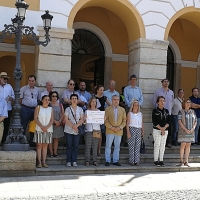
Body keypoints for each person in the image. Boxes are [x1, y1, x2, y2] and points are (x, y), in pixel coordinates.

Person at [104, 95, 126, 166]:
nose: (116, 101)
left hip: (119, 131)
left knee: (117, 146)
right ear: (111, 100)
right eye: (114, 99)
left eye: (117, 99)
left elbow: (124, 121)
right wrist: (111, 127)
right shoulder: (107, 109)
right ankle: (107, 160)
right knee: (108, 146)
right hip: (110, 130)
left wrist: (119, 127)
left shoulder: (122, 110)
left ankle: (115, 160)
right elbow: (105, 120)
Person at [152, 78, 174, 148]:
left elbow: (172, 102)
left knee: (168, 127)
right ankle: (156, 141)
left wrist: (170, 109)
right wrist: (158, 109)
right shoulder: (157, 91)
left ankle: (168, 142)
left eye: (167, 82)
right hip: (159, 112)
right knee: (159, 126)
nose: (166, 83)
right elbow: (153, 101)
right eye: (164, 82)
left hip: (168, 112)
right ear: (162, 83)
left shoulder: (171, 92)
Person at [64, 94, 84, 167]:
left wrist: (77, 126)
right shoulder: (67, 109)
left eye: (75, 98)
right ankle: (69, 161)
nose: (74, 100)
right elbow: (66, 119)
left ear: (77, 100)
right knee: (69, 146)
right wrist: (73, 126)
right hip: (69, 130)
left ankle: (74, 160)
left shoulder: (80, 109)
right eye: (73, 98)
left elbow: (82, 119)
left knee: (75, 146)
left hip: (77, 130)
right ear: (70, 100)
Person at [34, 95, 54, 168]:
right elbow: (35, 118)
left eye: (48, 100)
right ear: (42, 100)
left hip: (48, 130)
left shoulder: (51, 109)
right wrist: (42, 126)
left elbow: (52, 120)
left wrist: (46, 127)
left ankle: (44, 162)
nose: (47, 101)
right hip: (39, 129)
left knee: (45, 145)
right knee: (39, 145)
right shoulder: (38, 107)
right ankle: (39, 162)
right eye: (45, 99)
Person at [20, 75, 40, 146]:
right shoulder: (23, 89)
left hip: (34, 109)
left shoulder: (37, 90)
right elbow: (20, 99)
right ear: (28, 81)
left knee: (33, 125)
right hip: (25, 108)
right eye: (30, 81)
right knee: (23, 124)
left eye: (32, 81)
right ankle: (21, 140)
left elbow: (38, 100)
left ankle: (32, 140)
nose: (31, 82)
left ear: (35, 81)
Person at [177, 98, 197, 167]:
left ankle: (186, 161)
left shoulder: (193, 112)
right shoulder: (180, 111)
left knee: (188, 145)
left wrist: (193, 128)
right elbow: (179, 121)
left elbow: (196, 121)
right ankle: (181, 161)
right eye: (187, 102)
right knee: (183, 144)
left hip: (191, 131)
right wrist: (185, 129)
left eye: (189, 102)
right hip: (183, 131)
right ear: (184, 104)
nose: (189, 103)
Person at [152, 96, 170, 167]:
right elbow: (154, 122)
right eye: (161, 101)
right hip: (157, 130)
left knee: (163, 146)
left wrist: (164, 128)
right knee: (157, 145)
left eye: (163, 101)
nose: (162, 102)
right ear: (157, 102)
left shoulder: (167, 111)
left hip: (165, 130)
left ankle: (161, 160)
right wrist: (161, 129)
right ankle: (156, 160)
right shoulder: (155, 111)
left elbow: (169, 121)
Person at [95, 85, 111, 156]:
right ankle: (94, 149)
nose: (102, 91)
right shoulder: (93, 98)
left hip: (101, 117)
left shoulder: (104, 98)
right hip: (94, 116)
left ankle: (99, 150)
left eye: (103, 90)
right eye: (101, 90)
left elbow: (110, 105)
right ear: (97, 90)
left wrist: (106, 113)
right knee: (94, 134)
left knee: (100, 134)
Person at [84, 96, 101, 166]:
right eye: (93, 101)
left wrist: (104, 119)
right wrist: (85, 119)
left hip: (97, 130)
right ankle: (87, 161)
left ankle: (95, 160)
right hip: (89, 130)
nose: (94, 103)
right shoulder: (87, 111)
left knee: (95, 146)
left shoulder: (99, 112)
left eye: (95, 102)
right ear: (90, 103)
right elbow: (84, 123)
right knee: (88, 146)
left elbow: (101, 122)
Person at [126, 99, 144, 166]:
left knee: (137, 146)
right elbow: (127, 123)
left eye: (137, 105)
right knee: (131, 146)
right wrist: (128, 132)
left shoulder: (140, 114)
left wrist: (142, 131)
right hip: (132, 129)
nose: (136, 106)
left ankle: (137, 160)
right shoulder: (129, 113)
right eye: (135, 105)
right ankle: (131, 160)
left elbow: (142, 123)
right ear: (132, 106)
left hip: (138, 129)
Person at [0, 72, 15, 143]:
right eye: (4, 78)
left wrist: (11, 98)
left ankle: (3, 141)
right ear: (0, 79)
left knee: (6, 126)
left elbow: (13, 96)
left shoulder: (9, 86)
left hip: (8, 109)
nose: (5, 80)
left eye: (6, 79)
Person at [49, 91, 64, 157]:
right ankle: (51, 153)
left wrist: (59, 121)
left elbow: (63, 114)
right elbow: (48, 115)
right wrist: (54, 121)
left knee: (56, 139)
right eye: (53, 96)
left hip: (58, 123)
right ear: (50, 97)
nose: (54, 98)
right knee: (50, 139)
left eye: (55, 96)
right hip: (50, 124)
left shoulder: (60, 105)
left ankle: (55, 152)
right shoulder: (49, 105)